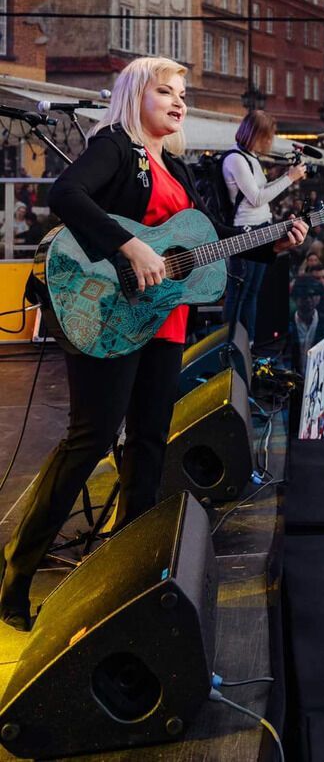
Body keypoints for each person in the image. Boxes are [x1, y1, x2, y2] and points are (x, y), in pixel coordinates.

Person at [0, 57, 307, 631]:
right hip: (105, 310)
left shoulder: (180, 167)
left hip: (161, 324)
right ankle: (15, 576)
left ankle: (128, 572)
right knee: (90, 440)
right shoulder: (116, 144)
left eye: (182, 93)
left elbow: (212, 243)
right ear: (135, 94)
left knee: (148, 445)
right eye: (164, 91)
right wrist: (129, 247)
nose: (178, 101)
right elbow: (65, 194)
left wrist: (275, 243)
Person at [221, 109, 304, 332]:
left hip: (260, 228)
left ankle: (248, 342)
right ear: (256, 134)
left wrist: (284, 177)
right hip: (245, 231)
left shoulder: (251, 158)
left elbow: (260, 190)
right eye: (267, 136)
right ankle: (230, 342)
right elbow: (256, 198)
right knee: (240, 292)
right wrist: (289, 178)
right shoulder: (236, 159)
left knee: (253, 292)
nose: (270, 141)